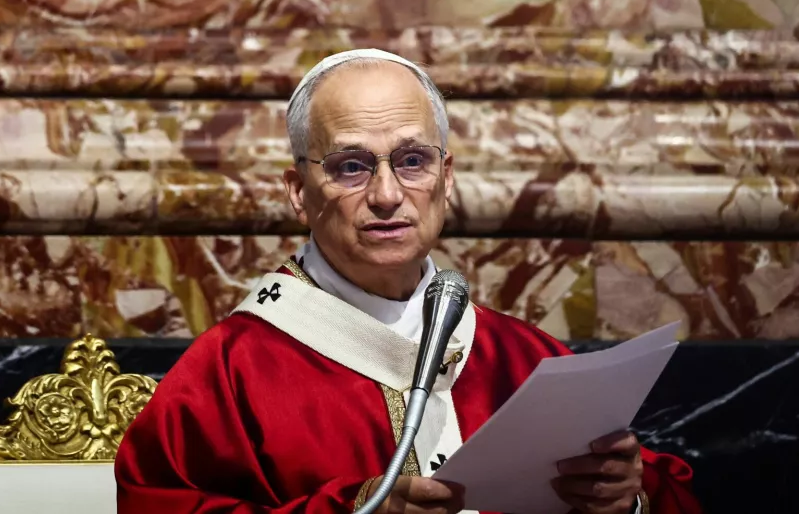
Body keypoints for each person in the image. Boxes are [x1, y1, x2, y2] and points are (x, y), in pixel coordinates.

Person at [114, 49, 704, 514]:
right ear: (298, 192)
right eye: (351, 165)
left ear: (446, 179)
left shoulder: (521, 357)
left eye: (412, 160)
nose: (388, 195)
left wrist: (626, 500)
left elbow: (653, 494)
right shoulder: (230, 372)